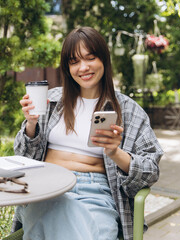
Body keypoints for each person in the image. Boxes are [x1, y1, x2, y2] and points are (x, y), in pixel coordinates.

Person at [12, 27, 163, 240]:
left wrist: (115, 153)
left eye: (90, 58)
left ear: (104, 59)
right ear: (67, 68)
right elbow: (23, 158)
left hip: (96, 193)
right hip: (48, 186)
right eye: (74, 62)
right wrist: (31, 125)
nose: (83, 67)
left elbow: (151, 171)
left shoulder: (128, 110)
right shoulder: (51, 101)